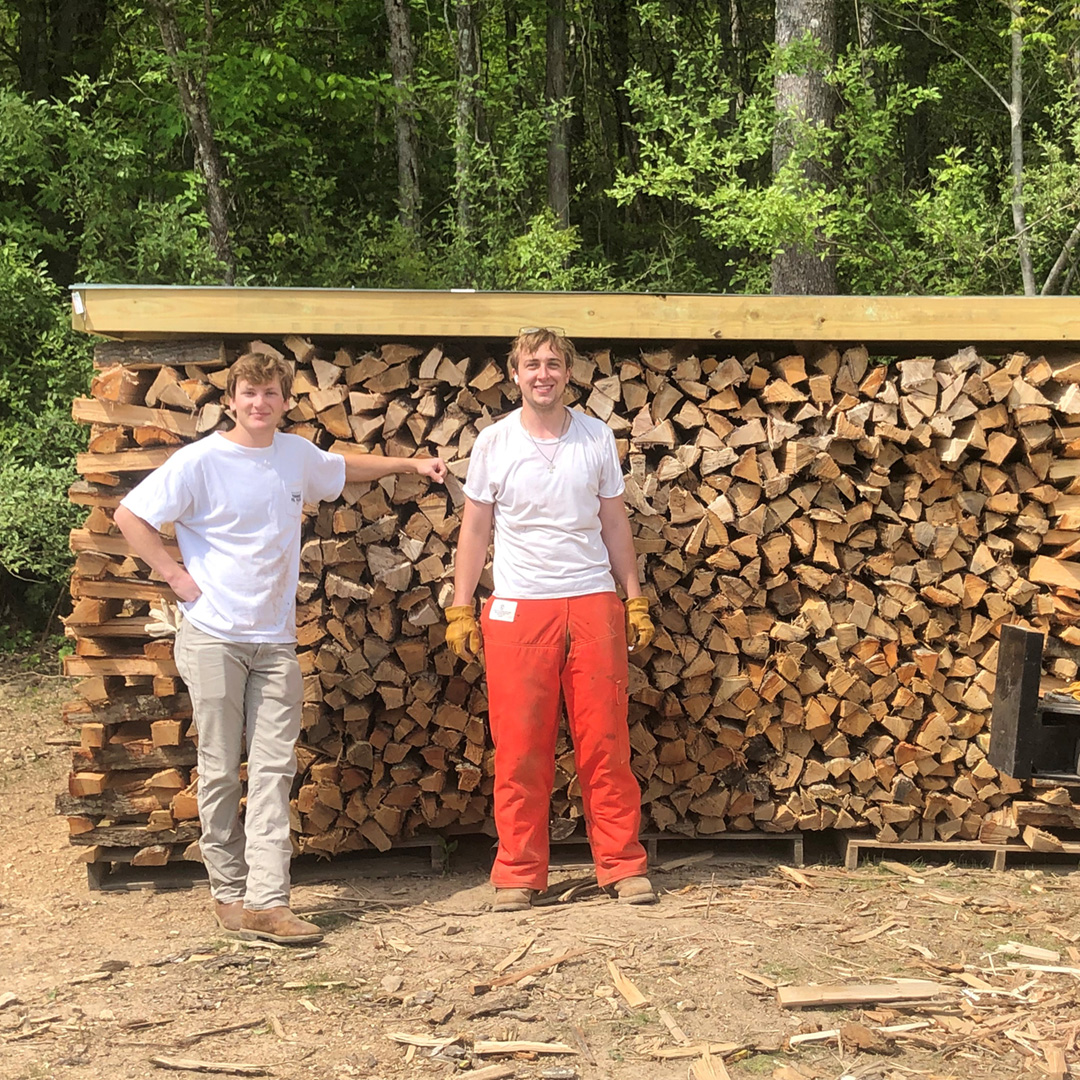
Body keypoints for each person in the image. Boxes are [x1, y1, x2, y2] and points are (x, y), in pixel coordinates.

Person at [115, 351, 447, 943]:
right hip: (214, 633)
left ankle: (268, 902)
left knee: (273, 769)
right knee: (219, 766)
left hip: (274, 641)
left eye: (270, 394)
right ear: (233, 398)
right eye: (249, 393)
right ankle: (228, 892)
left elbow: (344, 465)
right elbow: (129, 514)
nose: (259, 404)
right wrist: (174, 576)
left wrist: (413, 463)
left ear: (286, 401)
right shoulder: (200, 462)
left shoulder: (295, 455)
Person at [445, 328, 656, 912]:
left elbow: (614, 524)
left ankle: (620, 865)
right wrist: (462, 605)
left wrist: (632, 596)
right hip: (518, 609)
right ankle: (517, 871)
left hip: (592, 602)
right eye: (532, 364)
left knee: (605, 743)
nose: (543, 373)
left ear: (569, 373)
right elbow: (475, 530)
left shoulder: (595, 437)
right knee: (519, 747)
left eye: (553, 364)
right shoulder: (493, 442)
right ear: (515, 374)